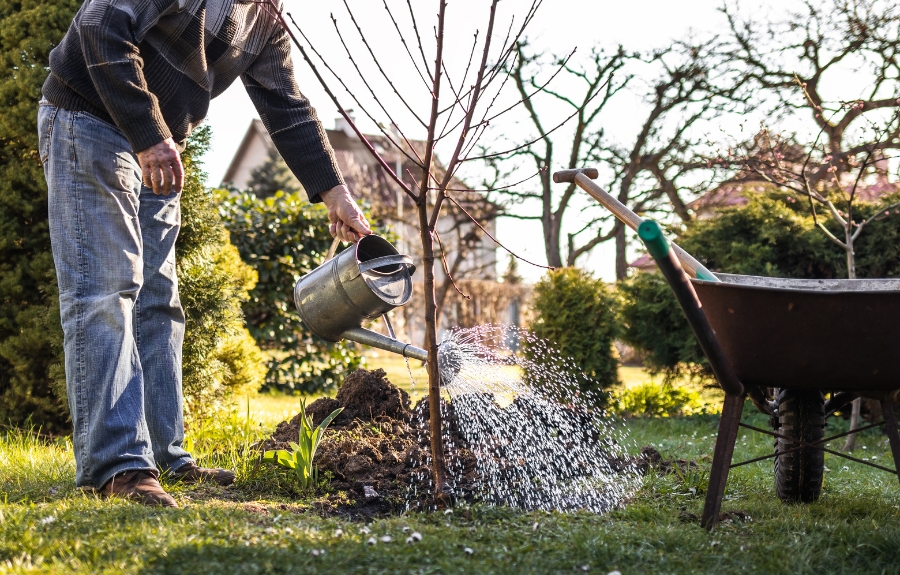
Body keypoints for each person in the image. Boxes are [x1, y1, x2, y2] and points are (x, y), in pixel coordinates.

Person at [37, 0, 371, 508]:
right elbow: (99, 25)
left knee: (158, 302)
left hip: (160, 142)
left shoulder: (264, 17)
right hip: (90, 118)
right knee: (107, 290)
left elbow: (287, 105)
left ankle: (167, 458)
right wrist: (149, 138)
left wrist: (335, 192)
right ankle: (118, 466)